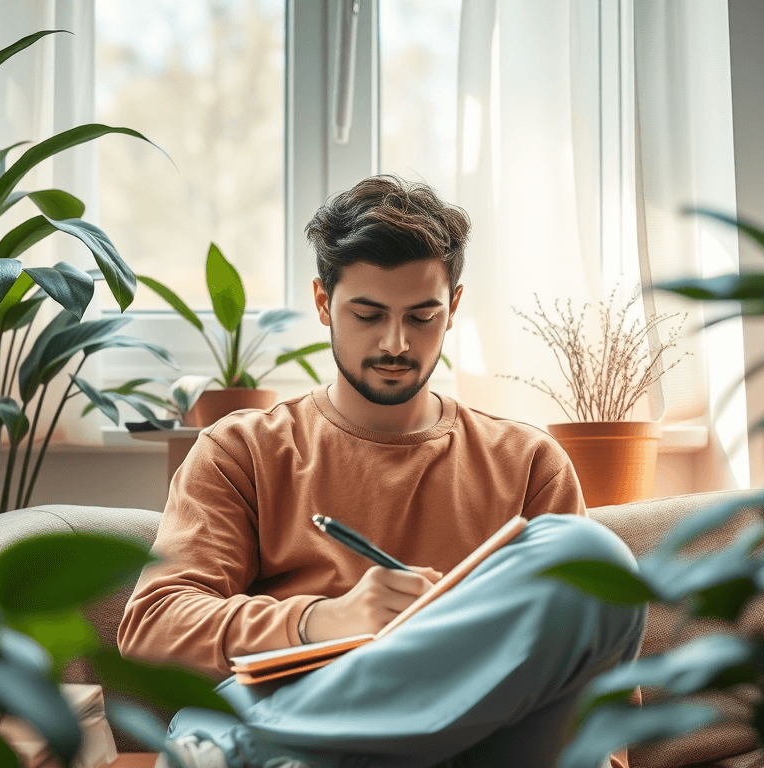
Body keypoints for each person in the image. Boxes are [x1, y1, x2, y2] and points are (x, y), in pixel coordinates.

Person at [118, 175, 646, 768]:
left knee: (595, 556)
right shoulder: (242, 449)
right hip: (297, 707)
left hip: (464, 738)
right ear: (323, 303)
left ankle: (247, 750)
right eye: (368, 314)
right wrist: (323, 620)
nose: (395, 343)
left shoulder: (527, 462)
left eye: (422, 317)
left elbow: (594, 683)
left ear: (453, 308)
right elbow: (153, 629)